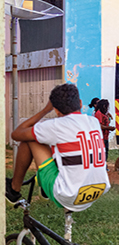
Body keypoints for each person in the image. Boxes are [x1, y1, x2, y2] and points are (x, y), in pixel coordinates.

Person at [5, 83, 111, 212]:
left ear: (56, 109)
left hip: (68, 196)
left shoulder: (56, 125)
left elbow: (17, 134)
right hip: (98, 190)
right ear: (80, 102)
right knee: (59, 144)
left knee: (30, 139)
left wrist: (45, 110)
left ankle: (14, 189)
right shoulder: (93, 122)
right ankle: (44, 188)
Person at [94, 99, 115, 170]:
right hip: (101, 137)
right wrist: (109, 128)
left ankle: (104, 165)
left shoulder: (104, 114)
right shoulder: (99, 114)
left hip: (105, 136)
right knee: (101, 152)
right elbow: (99, 125)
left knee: (105, 152)